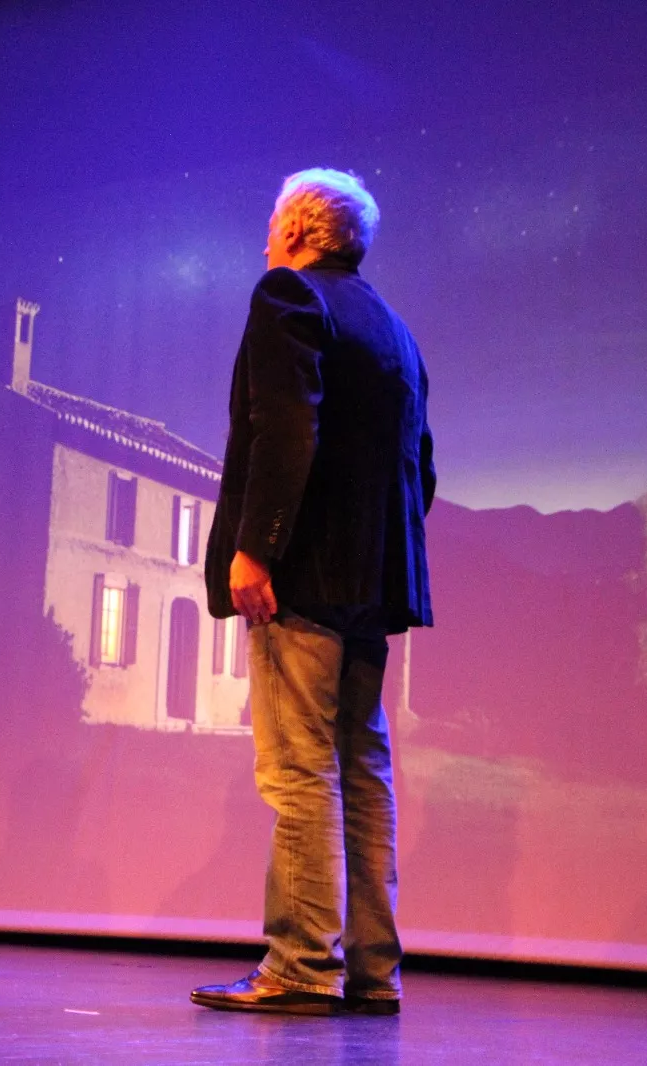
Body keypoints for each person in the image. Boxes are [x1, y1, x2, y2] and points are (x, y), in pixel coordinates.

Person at [191, 169, 435, 1016]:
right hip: (376, 580)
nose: (265, 240)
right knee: (361, 768)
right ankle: (372, 973)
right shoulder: (396, 329)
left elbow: (285, 427)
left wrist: (258, 550)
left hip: (305, 571)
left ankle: (299, 966)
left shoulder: (288, 296)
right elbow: (422, 467)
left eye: (271, 223)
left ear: (298, 229)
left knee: (299, 770)